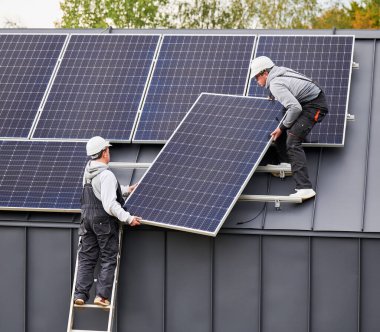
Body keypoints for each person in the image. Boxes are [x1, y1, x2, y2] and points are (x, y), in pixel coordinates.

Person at [74, 136, 142, 306]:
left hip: (86, 220)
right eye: (108, 149)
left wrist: (126, 190)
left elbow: (100, 192)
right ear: (104, 152)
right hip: (103, 222)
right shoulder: (107, 175)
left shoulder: (88, 170)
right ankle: (101, 297)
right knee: (108, 257)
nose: (109, 152)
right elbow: (110, 203)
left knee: (87, 258)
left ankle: (80, 295)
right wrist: (128, 218)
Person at [250, 56, 329, 200]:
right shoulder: (280, 72)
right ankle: (286, 163)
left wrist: (282, 128)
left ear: (265, 73)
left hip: (315, 105)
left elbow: (295, 108)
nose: (256, 81)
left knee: (292, 141)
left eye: (256, 77)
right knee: (281, 122)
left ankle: (305, 188)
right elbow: (288, 87)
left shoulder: (275, 84)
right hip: (307, 101)